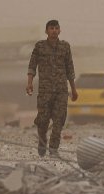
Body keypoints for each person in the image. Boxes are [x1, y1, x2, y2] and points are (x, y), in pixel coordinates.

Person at [26, 19, 78, 157]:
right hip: (45, 91)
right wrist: (29, 82)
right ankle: (42, 141)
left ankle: (53, 150)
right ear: (46, 31)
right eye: (51, 28)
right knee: (42, 121)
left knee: (59, 120)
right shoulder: (40, 46)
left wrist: (73, 89)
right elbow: (32, 65)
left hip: (61, 90)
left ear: (59, 30)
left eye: (56, 28)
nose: (54, 30)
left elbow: (70, 68)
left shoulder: (65, 47)